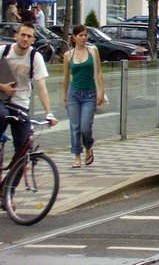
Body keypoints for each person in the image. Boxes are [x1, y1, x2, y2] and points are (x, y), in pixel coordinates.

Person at [0, 22, 57, 163]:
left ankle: (14, 177)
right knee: (3, 114)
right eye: (23, 35)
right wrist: (3, 87)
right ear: (15, 36)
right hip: (1, 100)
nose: (25, 39)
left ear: (33, 40)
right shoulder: (4, 51)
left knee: (23, 150)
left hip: (20, 104)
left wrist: (49, 113)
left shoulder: (35, 57)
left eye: (29, 36)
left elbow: (42, 88)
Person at [61, 24, 104, 168]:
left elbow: (99, 72)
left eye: (86, 35)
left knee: (85, 127)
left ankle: (88, 147)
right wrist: (64, 97)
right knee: (75, 127)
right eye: (81, 35)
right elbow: (66, 77)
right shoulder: (68, 55)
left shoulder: (93, 51)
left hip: (89, 93)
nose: (84, 38)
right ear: (74, 37)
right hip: (73, 94)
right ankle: (77, 157)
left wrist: (101, 91)